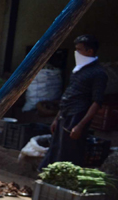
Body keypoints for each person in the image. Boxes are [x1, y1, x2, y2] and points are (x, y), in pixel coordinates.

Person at [40, 34, 108, 169]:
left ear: (90, 51)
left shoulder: (98, 73)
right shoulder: (78, 70)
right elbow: (69, 94)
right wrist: (57, 118)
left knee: (70, 153)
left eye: (79, 50)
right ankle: (49, 177)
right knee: (56, 148)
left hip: (77, 116)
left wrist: (80, 125)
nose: (76, 53)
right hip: (65, 114)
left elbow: (96, 102)